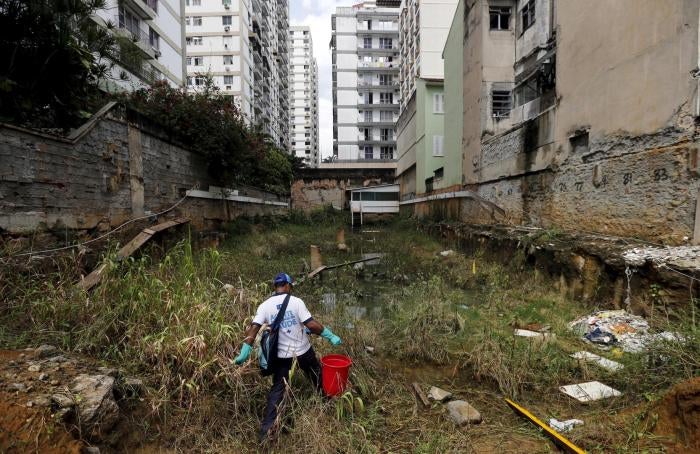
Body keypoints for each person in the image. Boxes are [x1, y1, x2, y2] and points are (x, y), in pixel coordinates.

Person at [233, 272, 342, 442]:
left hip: (282, 357)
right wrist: (330, 335)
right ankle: (328, 405)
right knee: (317, 377)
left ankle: (266, 432)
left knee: (277, 391)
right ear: (289, 285)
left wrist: (244, 350)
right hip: (304, 352)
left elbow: (253, 329)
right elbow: (311, 324)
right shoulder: (296, 301)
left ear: (275, 287)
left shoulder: (265, 305)